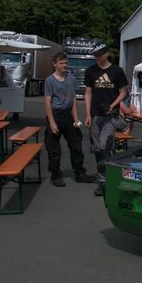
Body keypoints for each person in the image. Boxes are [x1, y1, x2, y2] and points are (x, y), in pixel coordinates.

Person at [44, 52, 96, 187]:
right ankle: (55, 175)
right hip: (55, 115)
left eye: (65, 63)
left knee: (76, 145)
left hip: (68, 115)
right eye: (61, 63)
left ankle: (79, 173)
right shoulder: (49, 80)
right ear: (55, 64)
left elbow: (73, 99)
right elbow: (48, 102)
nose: (64, 65)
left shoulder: (71, 79)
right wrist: (52, 122)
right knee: (54, 149)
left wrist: (76, 119)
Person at [84, 43, 128, 196]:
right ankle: (103, 180)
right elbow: (88, 93)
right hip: (95, 115)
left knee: (104, 146)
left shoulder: (117, 71)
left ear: (107, 54)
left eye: (99, 55)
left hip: (111, 116)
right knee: (97, 148)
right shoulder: (91, 71)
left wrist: (114, 104)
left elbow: (123, 92)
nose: (97, 58)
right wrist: (88, 114)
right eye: (95, 55)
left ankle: (108, 180)